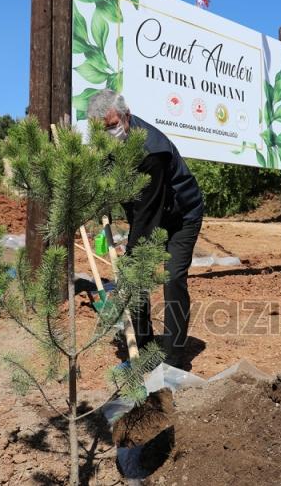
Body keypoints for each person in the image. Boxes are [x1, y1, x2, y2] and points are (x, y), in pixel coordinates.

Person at [86, 90, 204, 369]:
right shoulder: (107, 143)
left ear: (126, 117)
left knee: (171, 277)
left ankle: (174, 359)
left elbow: (146, 215)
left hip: (181, 216)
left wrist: (130, 258)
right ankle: (141, 346)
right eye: (102, 130)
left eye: (113, 126)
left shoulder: (152, 151)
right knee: (134, 275)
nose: (109, 133)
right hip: (150, 212)